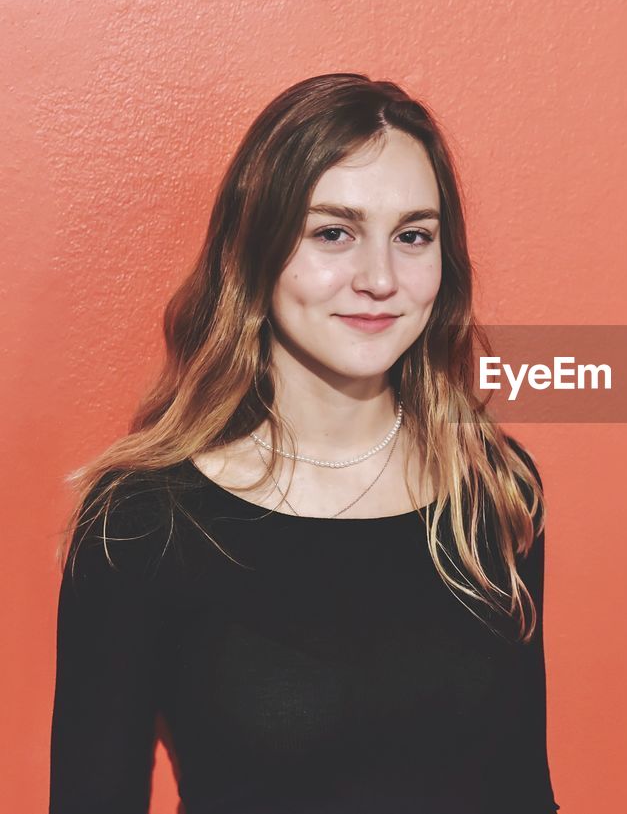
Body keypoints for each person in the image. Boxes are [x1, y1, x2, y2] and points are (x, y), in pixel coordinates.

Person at [48, 73, 560, 814]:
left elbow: (524, 790)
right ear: (254, 251)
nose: (380, 278)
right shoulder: (142, 522)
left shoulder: (495, 488)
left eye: (413, 235)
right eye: (333, 232)